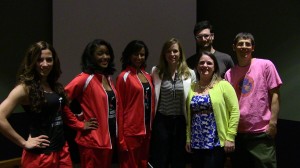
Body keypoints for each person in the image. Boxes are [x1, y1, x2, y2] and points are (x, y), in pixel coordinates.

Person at [0, 41, 72, 167]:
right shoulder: (25, 88)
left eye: (49, 60)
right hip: (40, 157)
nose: (45, 64)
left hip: (61, 151)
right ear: (32, 62)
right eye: (40, 60)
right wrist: (23, 143)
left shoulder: (53, 85)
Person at [225, 32, 282, 168]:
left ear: (253, 48)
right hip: (238, 133)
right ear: (234, 47)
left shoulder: (265, 65)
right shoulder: (229, 74)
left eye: (247, 44)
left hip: (261, 133)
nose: (244, 47)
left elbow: (275, 94)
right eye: (240, 44)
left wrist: (273, 123)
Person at [63, 39, 118, 168]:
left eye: (107, 53)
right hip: (92, 142)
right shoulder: (84, 78)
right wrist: (78, 124)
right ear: (91, 57)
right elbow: (61, 102)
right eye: (100, 54)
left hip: (107, 140)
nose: (105, 57)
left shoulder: (107, 78)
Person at [185, 51, 240, 168]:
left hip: (215, 143)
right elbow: (190, 116)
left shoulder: (223, 85)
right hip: (196, 141)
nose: (205, 65)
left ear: (215, 67)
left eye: (209, 63)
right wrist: (188, 138)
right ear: (197, 66)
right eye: (202, 63)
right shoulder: (192, 87)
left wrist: (230, 137)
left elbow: (235, 111)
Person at [150, 38, 196, 168]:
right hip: (161, 121)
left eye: (175, 51)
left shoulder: (190, 73)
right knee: (160, 159)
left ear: (180, 53)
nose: (172, 54)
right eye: (168, 51)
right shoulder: (156, 71)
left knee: (179, 159)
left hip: (181, 122)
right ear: (164, 54)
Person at [116, 40, 155, 168]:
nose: (139, 58)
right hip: (131, 132)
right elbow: (119, 108)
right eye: (136, 54)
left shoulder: (148, 75)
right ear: (129, 55)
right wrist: (121, 138)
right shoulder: (124, 77)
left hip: (146, 130)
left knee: (143, 164)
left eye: (142, 55)